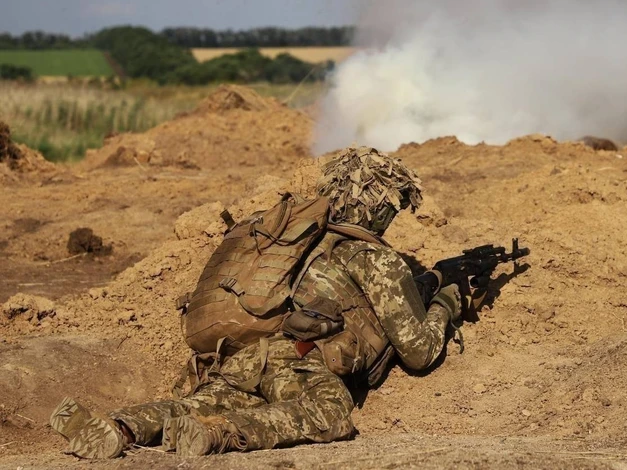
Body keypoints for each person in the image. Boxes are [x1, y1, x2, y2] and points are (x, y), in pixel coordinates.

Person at [50, 147, 462, 458]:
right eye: (392, 208)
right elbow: (419, 352)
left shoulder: (296, 238)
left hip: (242, 358)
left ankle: (117, 426)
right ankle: (219, 433)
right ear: (377, 207)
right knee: (330, 411)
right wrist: (446, 303)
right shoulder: (374, 257)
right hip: (298, 364)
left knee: (193, 404)